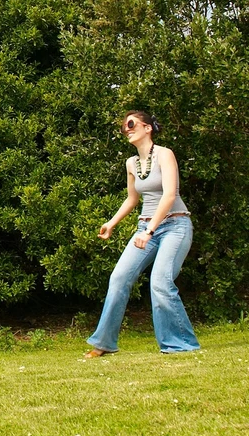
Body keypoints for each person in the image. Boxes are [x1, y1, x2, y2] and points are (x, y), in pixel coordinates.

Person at [85, 110, 200, 358]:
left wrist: (149, 231)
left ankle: (180, 343)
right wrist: (112, 222)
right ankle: (104, 343)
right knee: (118, 278)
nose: (126, 129)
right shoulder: (131, 163)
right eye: (123, 127)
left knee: (160, 282)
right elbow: (132, 198)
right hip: (145, 227)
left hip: (174, 226)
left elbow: (169, 195)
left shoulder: (165, 154)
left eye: (131, 123)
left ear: (147, 127)